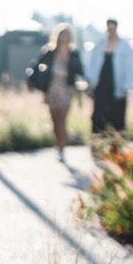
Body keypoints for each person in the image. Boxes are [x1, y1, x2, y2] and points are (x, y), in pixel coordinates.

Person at [28, 24, 84, 162]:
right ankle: (58, 146)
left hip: (66, 90)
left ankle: (63, 147)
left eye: (66, 35)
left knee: (62, 119)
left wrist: (70, 63)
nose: (64, 37)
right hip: (52, 89)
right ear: (57, 36)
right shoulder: (50, 52)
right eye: (62, 34)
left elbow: (80, 70)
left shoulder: (73, 53)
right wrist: (31, 82)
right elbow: (36, 66)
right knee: (55, 120)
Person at [91, 18, 133, 139]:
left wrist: (127, 85)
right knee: (99, 115)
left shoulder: (124, 45)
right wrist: (90, 81)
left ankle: (117, 144)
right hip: (101, 85)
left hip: (118, 87)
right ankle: (98, 143)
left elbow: (130, 67)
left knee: (117, 117)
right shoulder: (100, 44)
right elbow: (92, 63)